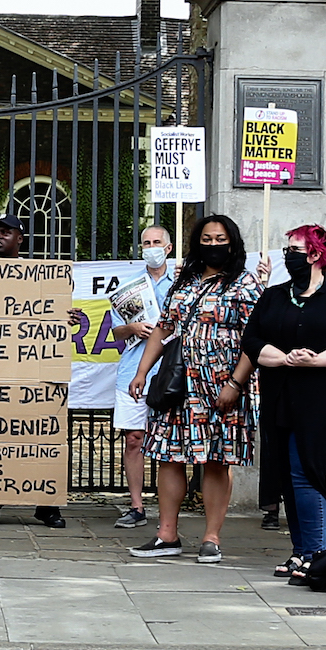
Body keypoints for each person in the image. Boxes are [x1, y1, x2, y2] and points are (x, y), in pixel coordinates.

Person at [126, 214, 260, 564]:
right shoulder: (183, 283)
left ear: (232, 242)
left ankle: (211, 536)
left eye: (220, 239)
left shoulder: (244, 284)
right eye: (206, 238)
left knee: (216, 459)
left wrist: (236, 383)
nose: (213, 245)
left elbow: (255, 340)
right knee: (169, 456)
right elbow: (163, 328)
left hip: (222, 385)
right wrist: (142, 372)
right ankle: (166, 533)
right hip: (179, 384)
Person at [240, 223, 326, 579]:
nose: (288, 257)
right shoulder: (275, 296)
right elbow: (251, 340)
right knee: (285, 474)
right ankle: (300, 551)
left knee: (306, 472)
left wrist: (315, 359)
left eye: (295, 251)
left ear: (316, 255)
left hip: (321, 399)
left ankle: (316, 552)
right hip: (280, 394)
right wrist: (282, 358)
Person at [0, 212, 67, 528]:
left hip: (30, 371)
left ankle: (46, 505)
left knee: (38, 438)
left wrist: (69, 320)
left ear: (20, 238)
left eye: (5, 232)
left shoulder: (39, 275)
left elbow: (54, 315)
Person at [109, 223, 177, 530]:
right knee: (134, 439)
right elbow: (115, 331)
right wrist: (133, 328)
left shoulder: (182, 285)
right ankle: (136, 505)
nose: (151, 247)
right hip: (133, 372)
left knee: (168, 444)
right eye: (145, 242)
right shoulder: (130, 287)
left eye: (156, 242)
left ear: (168, 248)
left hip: (171, 373)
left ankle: (168, 507)